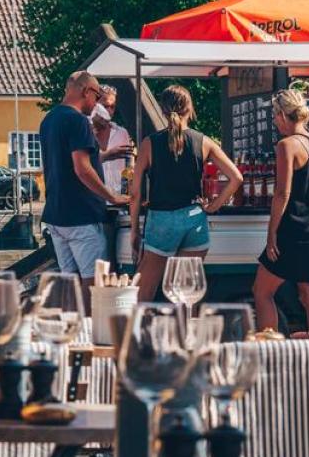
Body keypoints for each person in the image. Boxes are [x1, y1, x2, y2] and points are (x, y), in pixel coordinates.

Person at [129, 85, 242, 303]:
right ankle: (185, 335)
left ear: (163, 110)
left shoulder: (149, 144)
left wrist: (134, 231)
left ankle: (138, 336)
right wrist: (214, 206)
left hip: (161, 219)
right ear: (190, 108)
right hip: (194, 219)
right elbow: (236, 177)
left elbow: (135, 194)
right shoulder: (204, 142)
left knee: (143, 292)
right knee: (186, 295)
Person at [252, 89, 309, 339]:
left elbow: (281, 194)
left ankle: (270, 348)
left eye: (275, 116)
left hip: (293, 230)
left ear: (284, 115)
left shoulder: (286, 145)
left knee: (262, 292)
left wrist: (271, 234)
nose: (275, 121)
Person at [41, 71, 127, 288]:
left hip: (56, 214)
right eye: (97, 97)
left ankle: (73, 322)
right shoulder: (78, 121)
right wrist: (113, 197)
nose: (97, 103)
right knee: (95, 285)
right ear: (86, 91)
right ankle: (92, 322)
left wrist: (104, 156)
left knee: (71, 286)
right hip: (81, 216)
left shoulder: (49, 119)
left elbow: (64, 160)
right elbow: (82, 168)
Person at [91, 85, 135, 194]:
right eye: (105, 106)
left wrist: (130, 190)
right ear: (95, 106)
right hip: (92, 199)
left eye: (113, 107)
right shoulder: (84, 132)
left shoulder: (121, 133)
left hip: (118, 198)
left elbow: (129, 165)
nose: (109, 111)